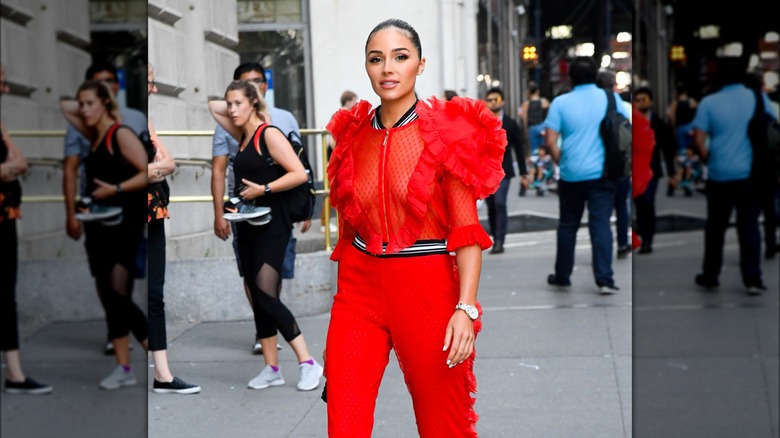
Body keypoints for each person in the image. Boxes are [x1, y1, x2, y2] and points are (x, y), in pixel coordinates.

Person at [324, 18, 505, 437]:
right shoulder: (351, 137)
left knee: (443, 427)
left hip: (427, 291)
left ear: (419, 65)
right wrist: (338, 317)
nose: (388, 68)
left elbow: (466, 232)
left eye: (400, 57)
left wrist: (466, 308)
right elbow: (350, 232)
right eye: (376, 59)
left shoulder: (447, 133)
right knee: (343, 426)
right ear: (367, 67)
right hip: (357, 294)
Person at [209, 80, 323, 392]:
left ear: (254, 104)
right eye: (229, 103)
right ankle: (271, 368)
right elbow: (212, 106)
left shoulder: (267, 134)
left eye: (238, 103)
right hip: (246, 223)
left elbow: (298, 173)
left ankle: (308, 362)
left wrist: (265, 189)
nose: (231, 109)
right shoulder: (242, 135)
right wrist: (239, 106)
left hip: (272, 224)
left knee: (265, 296)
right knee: (257, 296)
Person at [60, 80, 149, 389]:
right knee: (107, 294)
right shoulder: (93, 134)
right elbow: (64, 106)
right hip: (97, 224)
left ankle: (158, 355)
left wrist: (117, 188)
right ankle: (124, 368)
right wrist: (92, 106)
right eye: (81, 104)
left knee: (118, 294)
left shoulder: (119, 133)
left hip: (123, 224)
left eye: (89, 103)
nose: (82, 109)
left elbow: (146, 171)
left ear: (106, 104)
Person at [543, 56, 629, 294]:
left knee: (568, 225)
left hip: (571, 174)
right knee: (600, 223)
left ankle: (562, 275)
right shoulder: (611, 98)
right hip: (603, 173)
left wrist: (563, 161)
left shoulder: (560, 103)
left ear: (570, 77)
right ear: (595, 76)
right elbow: (624, 129)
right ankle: (604, 279)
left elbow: (550, 142)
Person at [691, 56, 776, 294]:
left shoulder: (709, 103)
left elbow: (698, 140)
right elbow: (772, 129)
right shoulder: (759, 98)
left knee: (715, 227)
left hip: (719, 174)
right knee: (749, 225)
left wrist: (709, 158)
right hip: (751, 173)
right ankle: (752, 279)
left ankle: (710, 274)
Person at [146, 64, 200, 394]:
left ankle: (162, 374)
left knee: (154, 294)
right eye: (150, 82)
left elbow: (169, 163)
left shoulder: (144, 123)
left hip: (152, 214)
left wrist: (151, 169)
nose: (153, 89)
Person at [1, 63, 53, 395]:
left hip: (6, 219)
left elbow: (20, 162)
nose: (5, 89)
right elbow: (13, 164)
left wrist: (8, 167)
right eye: (1, 82)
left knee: (6, 295)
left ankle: (15, 374)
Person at [631, 86, 678, 254]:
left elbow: (667, 149)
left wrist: (672, 173)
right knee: (639, 204)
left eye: (644, 99)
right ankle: (644, 234)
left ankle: (647, 241)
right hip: (635, 171)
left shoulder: (658, 123)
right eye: (637, 100)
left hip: (652, 171)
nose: (641, 103)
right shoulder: (630, 122)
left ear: (650, 102)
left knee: (647, 203)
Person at [484, 86, 527, 254]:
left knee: (500, 203)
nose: (492, 103)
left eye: (496, 99)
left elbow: (519, 149)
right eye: (489, 100)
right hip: (485, 171)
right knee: (491, 206)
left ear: (502, 102)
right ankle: (496, 237)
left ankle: (500, 240)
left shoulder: (510, 123)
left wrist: (524, 174)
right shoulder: (480, 122)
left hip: (504, 171)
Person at [596, 70, 632, 258]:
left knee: (602, 212)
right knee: (621, 205)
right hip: (620, 162)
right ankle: (623, 243)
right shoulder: (620, 103)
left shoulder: (592, 102)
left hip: (600, 164)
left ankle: (605, 246)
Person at [322, 90, 359, 233]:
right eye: (354, 101)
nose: (356, 104)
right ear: (348, 101)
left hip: (337, 159)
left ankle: (330, 223)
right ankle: (325, 223)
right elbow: (333, 140)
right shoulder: (342, 115)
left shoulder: (340, 114)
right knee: (331, 192)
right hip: (338, 160)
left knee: (335, 192)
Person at [519, 81, 550, 196]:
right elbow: (550, 112)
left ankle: (530, 180)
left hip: (532, 129)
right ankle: (540, 182)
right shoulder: (544, 101)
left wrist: (526, 131)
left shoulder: (526, 103)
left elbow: (524, 117)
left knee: (533, 156)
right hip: (542, 128)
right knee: (542, 155)